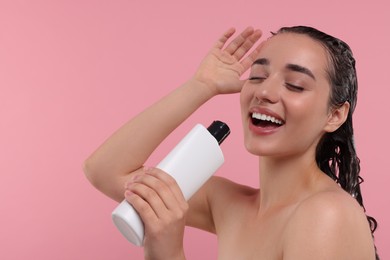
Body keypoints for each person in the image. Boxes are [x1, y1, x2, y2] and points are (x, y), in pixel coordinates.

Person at [84, 26, 379, 259]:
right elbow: (106, 171)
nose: (264, 91)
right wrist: (201, 87)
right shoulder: (228, 205)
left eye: (295, 85)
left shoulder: (327, 215)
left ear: (335, 114)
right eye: (258, 76)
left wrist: (169, 255)